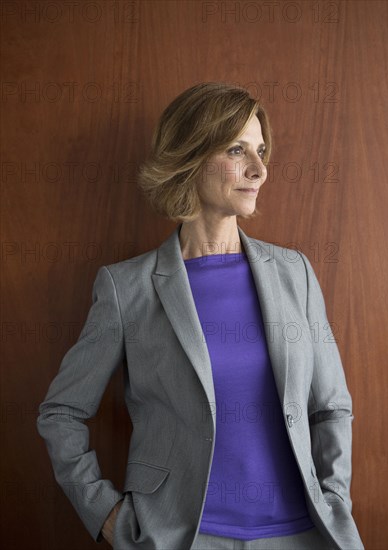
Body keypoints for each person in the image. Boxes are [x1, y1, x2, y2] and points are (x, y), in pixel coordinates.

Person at [37, 82, 365, 550]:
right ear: (189, 158)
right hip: (182, 537)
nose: (259, 169)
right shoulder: (126, 288)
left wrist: (333, 498)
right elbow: (61, 413)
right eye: (237, 150)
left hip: (303, 534)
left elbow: (331, 406)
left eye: (262, 150)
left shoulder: (296, 274)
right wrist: (106, 517)